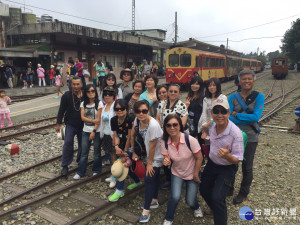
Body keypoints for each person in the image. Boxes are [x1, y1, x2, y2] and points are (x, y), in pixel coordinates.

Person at [200, 96, 244, 225]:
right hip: (212, 164)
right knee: (203, 189)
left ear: (228, 113)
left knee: (218, 197)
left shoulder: (236, 133)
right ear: (212, 113)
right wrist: (204, 132)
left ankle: (220, 217)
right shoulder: (213, 125)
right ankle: (215, 209)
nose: (220, 115)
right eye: (216, 111)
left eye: (223, 111)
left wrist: (227, 155)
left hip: (227, 167)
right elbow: (205, 130)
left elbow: (237, 160)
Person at [228, 69, 264, 204]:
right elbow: (229, 118)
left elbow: (256, 117)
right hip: (234, 135)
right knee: (231, 162)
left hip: (251, 136)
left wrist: (237, 115)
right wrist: (244, 118)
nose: (247, 81)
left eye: (249, 79)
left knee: (247, 166)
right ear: (239, 81)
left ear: (253, 80)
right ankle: (229, 187)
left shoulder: (259, 97)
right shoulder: (232, 97)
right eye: (244, 79)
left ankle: (243, 192)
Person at [161, 114, 203, 225]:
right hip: (177, 172)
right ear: (165, 127)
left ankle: (196, 206)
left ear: (180, 126)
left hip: (192, 172)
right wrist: (167, 160)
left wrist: (196, 174)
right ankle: (169, 218)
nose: (172, 127)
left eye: (175, 124)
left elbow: (199, 158)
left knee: (190, 200)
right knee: (174, 196)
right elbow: (167, 156)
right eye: (168, 125)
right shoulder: (165, 141)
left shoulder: (190, 140)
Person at [131, 100, 163, 223]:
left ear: (148, 111)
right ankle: (154, 200)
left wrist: (150, 163)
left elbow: (153, 146)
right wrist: (133, 150)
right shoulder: (137, 121)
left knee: (149, 178)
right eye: (138, 111)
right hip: (147, 153)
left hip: (157, 155)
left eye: (144, 111)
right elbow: (133, 134)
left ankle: (146, 209)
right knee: (153, 178)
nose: (141, 114)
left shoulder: (153, 125)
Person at [108, 99, 141, 201]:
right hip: (121, 145)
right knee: (127, 166)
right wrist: (117, 147)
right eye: (117, 109)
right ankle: (137, 181)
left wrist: (125, 153)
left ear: (126, 109)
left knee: (123, 166)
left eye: (122, 108)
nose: (119, 111)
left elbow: (130, 137)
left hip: (132, 145)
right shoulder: (113, 120)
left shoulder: (131, 118)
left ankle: (119, 191)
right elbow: (115, 135)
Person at [73, 84, 103, 179]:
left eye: (93, 91)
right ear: (86, 93)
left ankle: (96, 170)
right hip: (85, 130)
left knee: (96, 152)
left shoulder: (99, 103)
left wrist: (93, 131)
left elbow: (98, 120)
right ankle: (81, 172)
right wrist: (91, 121)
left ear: (95, 92)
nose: (91, 93)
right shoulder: (83, 103)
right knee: (84, 152)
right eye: (89, 91)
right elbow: (82, 117)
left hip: (96, 131)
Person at [56, 76, 83, 176]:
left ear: (81, 85)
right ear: (70, 85)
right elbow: (61, 110)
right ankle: (65, 165)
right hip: (70, 124)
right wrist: (58, 123)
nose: (76, 86)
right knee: (67, 143)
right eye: (74, 84)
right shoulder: (66, 95)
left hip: (83, 125)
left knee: (82, 144)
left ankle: (80, 161)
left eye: (78, 84)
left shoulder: (85, 95)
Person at [100, 87, 117, 187]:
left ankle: (115, 177)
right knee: (111, 155)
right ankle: (114, 174)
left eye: (110, 94)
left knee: (115, 156)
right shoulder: (104, 106)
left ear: (113, 96)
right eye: (105, 94)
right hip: (106, 134)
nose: (107, 96)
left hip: (113, 135)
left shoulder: (115, 106)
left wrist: (115, 135)